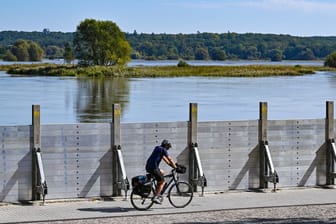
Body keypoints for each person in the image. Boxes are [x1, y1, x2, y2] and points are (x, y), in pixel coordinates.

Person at [146, 139, 177, 204]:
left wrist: (171, 165)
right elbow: (170, 159)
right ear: (166, 145)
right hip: (153, 168)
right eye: (168, 146)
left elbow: (165, 159)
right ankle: (156, 197)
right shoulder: (163, 149)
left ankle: (158, 189)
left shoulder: (157, 148)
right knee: (162, 181)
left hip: (148, 167)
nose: (168, 148)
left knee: (162, 172)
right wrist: (175, 167)